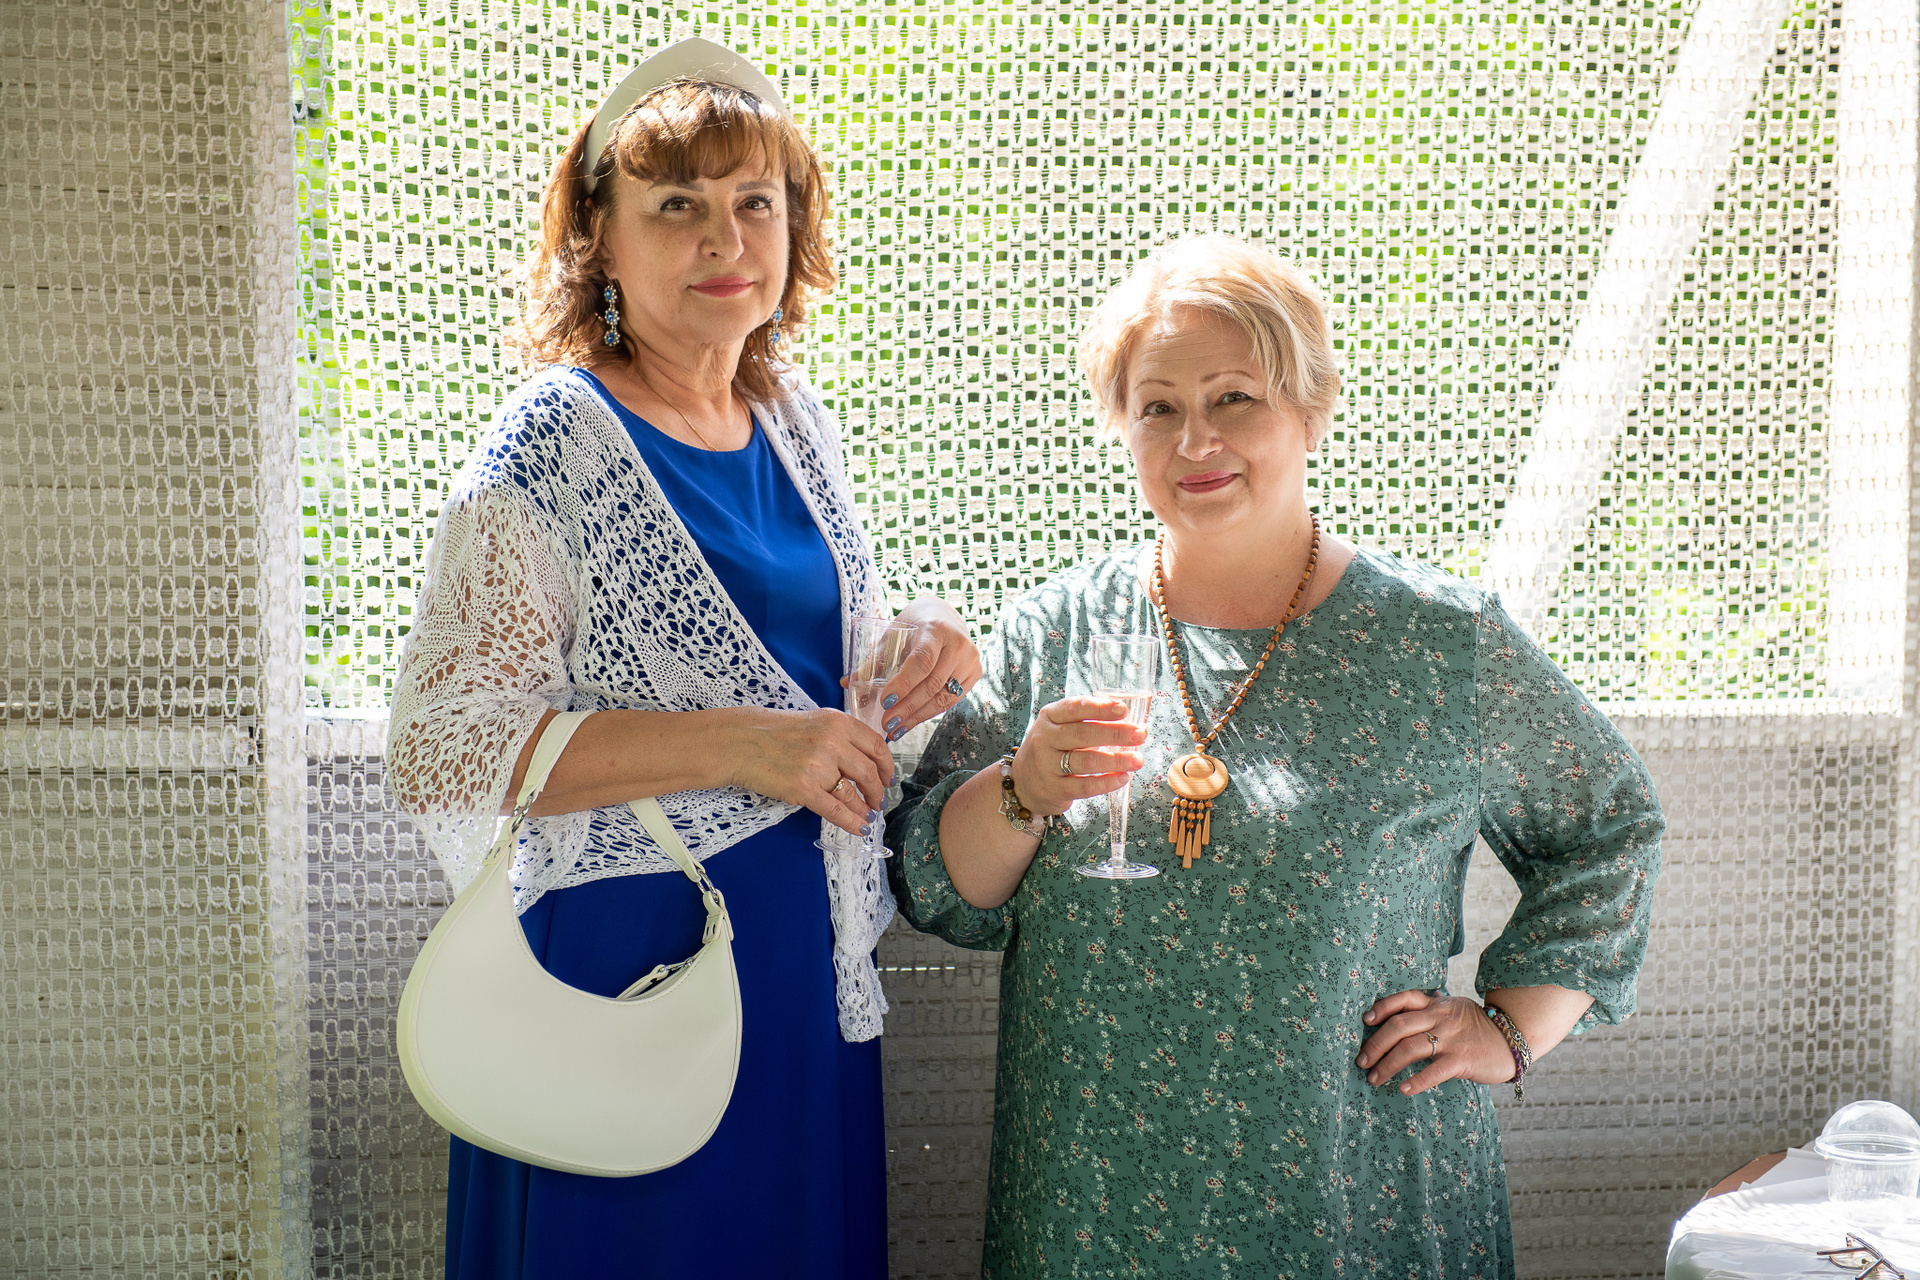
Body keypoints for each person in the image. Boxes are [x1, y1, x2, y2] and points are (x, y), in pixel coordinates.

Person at [886, 234, 1664, 1277]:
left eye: (1235, 398)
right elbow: (937, 889)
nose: (1195, 438)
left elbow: (1609, 827)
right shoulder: (1057, 630)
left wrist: (1510, 1026)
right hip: (1093, 1200)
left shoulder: (1442, 641)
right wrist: (1021, 790)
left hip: (1357, 1193)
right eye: (1158, 407)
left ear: (1311, 409)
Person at [385, 39, 980, 1280]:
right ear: (599, 235)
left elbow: (814, 674)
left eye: (756, 201)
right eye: (676, 205)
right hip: (639, 967)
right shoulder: (554, 438)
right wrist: (750, 748)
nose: (726, 238)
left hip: (805, 970)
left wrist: (919, 648)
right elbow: (443, 743)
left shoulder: (791, 419)